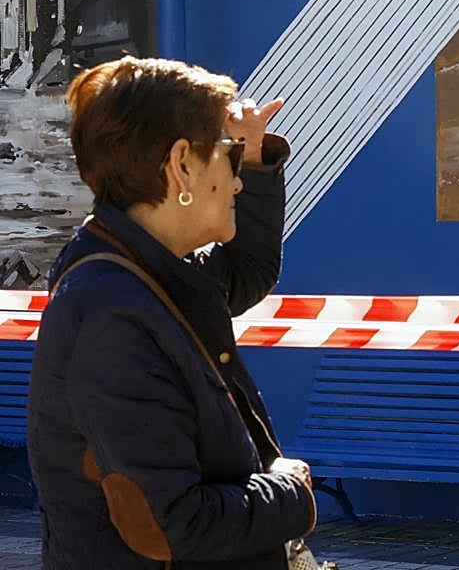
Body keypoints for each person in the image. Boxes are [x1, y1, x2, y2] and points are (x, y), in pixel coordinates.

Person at [27, 57, 316, 569]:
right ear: (182, 163)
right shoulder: (115, 314)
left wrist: (252, 156)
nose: (238, 182)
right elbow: (175, 523)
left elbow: (248, 268)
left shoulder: (153, 271)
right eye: (228, 158)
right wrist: (290, 493)